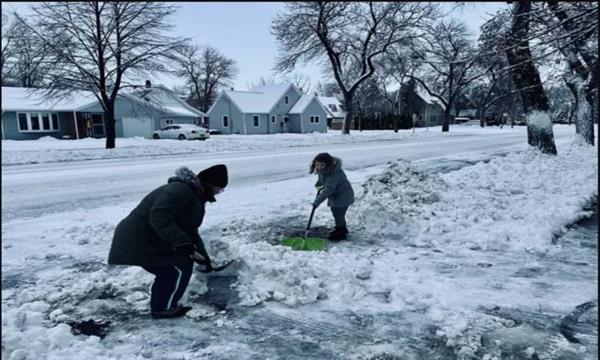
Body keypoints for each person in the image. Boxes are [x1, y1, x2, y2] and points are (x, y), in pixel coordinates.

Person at [108, 164, 228, 319]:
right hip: (139, 238)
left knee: (179, 266)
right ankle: (162, 309)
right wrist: (183, 244)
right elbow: (158, 216)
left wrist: (204, 258)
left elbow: (190, 230)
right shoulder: (180, 190)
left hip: (153, 237)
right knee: (173, 270)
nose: (219, 192)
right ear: (209, 184)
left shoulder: (194, 195)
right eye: (219, 188)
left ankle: (165, 305)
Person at [309, 153, 355, 241]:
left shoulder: (334, 174)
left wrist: (317, 202)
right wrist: (320, 183)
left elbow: (328, 191)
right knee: (336, 213)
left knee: (338, 213)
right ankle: (340, 228)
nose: (318, 167)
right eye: (317, 164)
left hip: (343, 196)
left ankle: (341, 232)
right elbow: (322, 178)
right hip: (337, 196)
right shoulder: (324, 170)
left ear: (328, 164)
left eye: (321, 165)